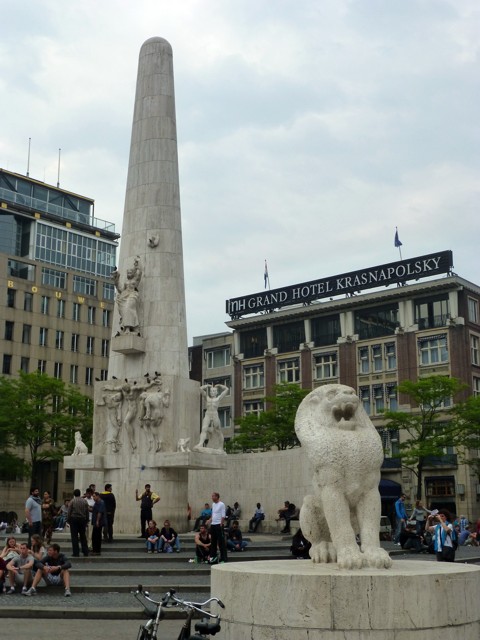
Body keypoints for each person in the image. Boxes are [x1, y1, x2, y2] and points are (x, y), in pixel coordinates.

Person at [112, 257, 142, 334]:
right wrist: (116, 280)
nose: (128, 274)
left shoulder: (135, 280)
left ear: (133, 273)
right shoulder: (126, 282)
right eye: (127, 273)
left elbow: (139, 274)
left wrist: (136, 265)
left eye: (130, 273)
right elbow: (121, 290)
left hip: (132, 295)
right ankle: (127, 328)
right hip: (125, 296)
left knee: (128, 308)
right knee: (125, 310)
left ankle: (129, 327)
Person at [195, 384, 229, 450]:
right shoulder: (207, 398)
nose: (212, 392)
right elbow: (200, 389)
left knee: (218, 430)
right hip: (208, 414)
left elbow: (227, 389)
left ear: (216, 392)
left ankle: (221, 446)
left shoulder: (218, 398)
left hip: (215, 415)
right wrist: (207, 386)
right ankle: (201, 443)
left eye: (214, 391)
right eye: (211, 391)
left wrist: (220, 385)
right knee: (204, 429)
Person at [67, 488, 89, 557]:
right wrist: (87, 520)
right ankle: (85, 551)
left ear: (74, 494)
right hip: (82, 519)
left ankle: (76, 552)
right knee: (83, 536)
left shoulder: (72, 501)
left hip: (74, 519)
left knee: (74, 536)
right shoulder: (84, 501)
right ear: (80, 493)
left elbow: (69, 511)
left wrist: (68, 520)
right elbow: (87, 511)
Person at [207, 492, 227, 564]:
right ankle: (213, 557)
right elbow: (213, 514)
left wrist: (221, 524)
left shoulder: (221, 504)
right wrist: (209, 520)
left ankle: (223, 558)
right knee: (213, 542)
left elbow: (223, 515)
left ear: (217, 497)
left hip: (219, 524)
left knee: (221, 542)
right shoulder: (213, 504)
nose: (212, 498)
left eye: (213, 496)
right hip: (213, 524)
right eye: (212, 496)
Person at [91, 491, 107, 556]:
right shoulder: (96, 503)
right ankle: (94, 549)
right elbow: (94, 510)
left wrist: (97, 521)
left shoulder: (101, 502)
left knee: (97, 536)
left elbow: (99, 513)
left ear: (98, 496)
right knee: (94, 536)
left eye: (94, 496)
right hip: (95, 522)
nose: (93, 498)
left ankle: (97, 550)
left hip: (99, 523)